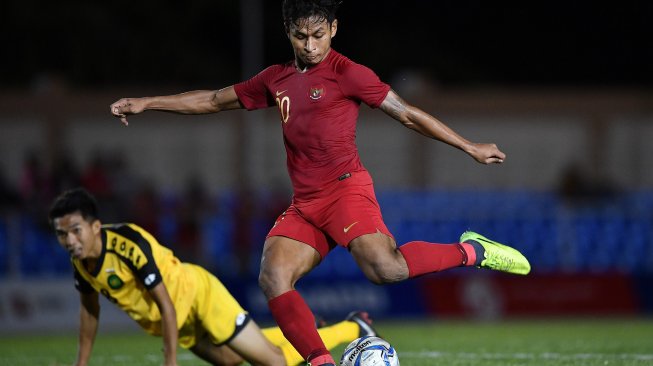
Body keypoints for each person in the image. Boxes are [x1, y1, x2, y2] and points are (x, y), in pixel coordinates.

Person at [110, 1, 532, 364]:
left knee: (385, 269)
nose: (310, 46)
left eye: (317, 35)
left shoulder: (348, 73)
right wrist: (150, 102)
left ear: (333, 29)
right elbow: (214, 100)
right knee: (273, 276)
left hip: (346, 190)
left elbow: (406, 112)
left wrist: (469, 146)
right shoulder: (275, 78)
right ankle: (321, 362)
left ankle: (472, 250)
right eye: (300, 36)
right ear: (288, 33)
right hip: (306, 203)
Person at [48, 187, 376, 366]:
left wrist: (170, 360)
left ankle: (352, 329)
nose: (70, 241)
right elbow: (89, 310)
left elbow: (165, 303)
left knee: (271, 363)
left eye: (75, 231)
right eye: (63, 235)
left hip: (197, 299)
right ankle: (340, 326)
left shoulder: (126, 244)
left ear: (94, 226)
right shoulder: (82, 262)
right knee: (234, 358)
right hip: (182, 323)